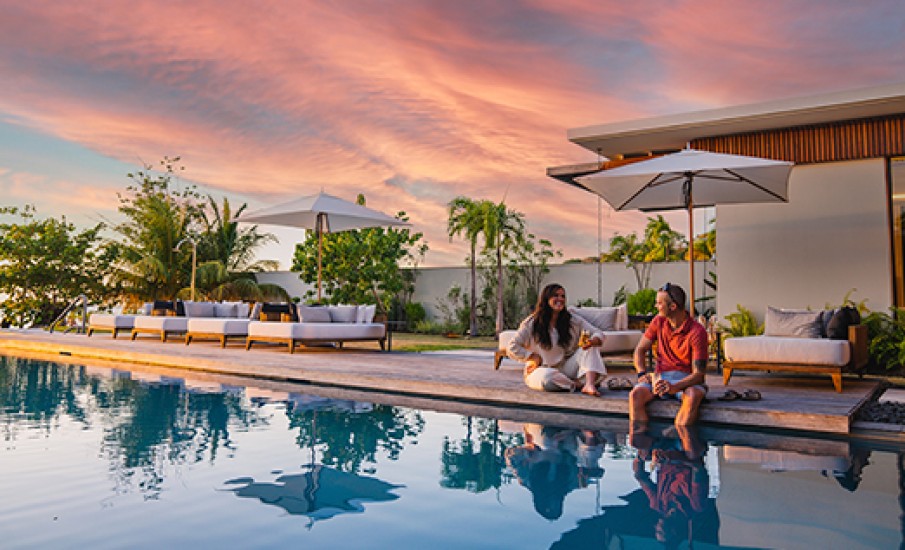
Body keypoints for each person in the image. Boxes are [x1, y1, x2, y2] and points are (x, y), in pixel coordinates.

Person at [630, 283, 708, 426]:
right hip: (661, 376)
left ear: (672, 307)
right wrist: (642, 373)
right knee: (636, 395)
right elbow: (640, 350)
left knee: (693, 395)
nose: (655, 306)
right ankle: (642, 442)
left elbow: (699, 375)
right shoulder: (658, 321)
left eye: (659, 303)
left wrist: (675, 387)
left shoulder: (697, 332)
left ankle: (682, 438)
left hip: (687, 379)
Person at [508, 283, 607, 396]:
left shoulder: (572, 320)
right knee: (547, 379)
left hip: (566, 367)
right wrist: (531, 356)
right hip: (541, 369)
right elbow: (512, 347)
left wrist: (593, 341)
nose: (560, 299)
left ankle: (589, 384)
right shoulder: (532, 323)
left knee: (590, 348)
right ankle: (577, 384)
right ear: (546, 299)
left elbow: (598, 333)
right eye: (556, 295)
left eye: (563, 296)